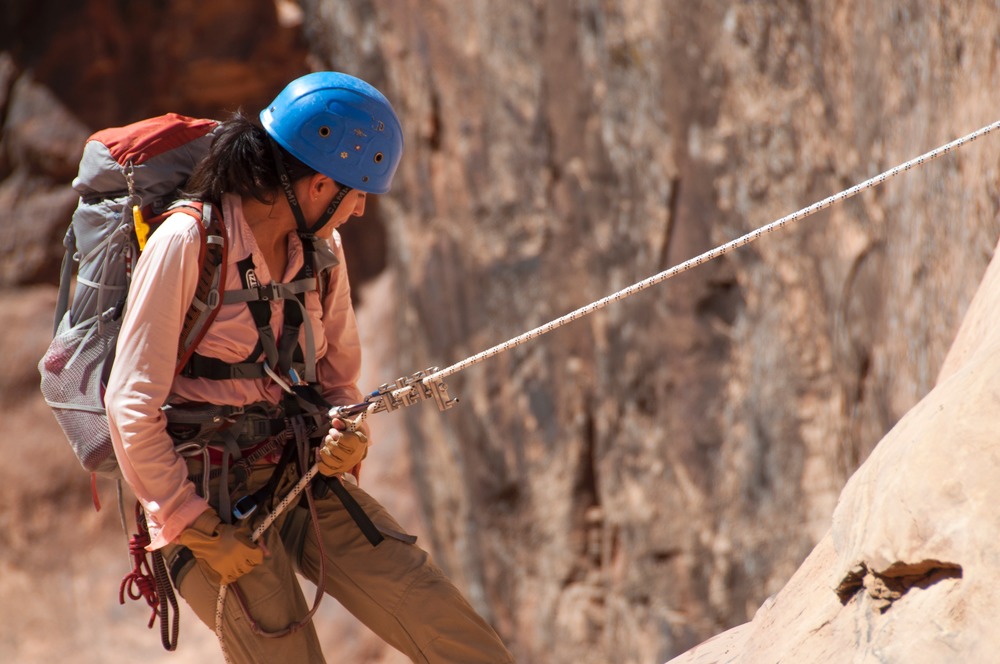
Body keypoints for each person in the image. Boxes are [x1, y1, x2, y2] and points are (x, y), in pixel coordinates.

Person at [105, 71, 515, 663]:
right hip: (204, 493)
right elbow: (130, 402)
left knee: (441, 619)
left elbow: (338, 380)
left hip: (299, 467)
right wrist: (195, 527)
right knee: (286, 651)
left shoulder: (322, 251)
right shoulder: (190, 241)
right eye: (357, 192)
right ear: (320, 184)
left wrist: (350, 437)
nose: (361, 207)